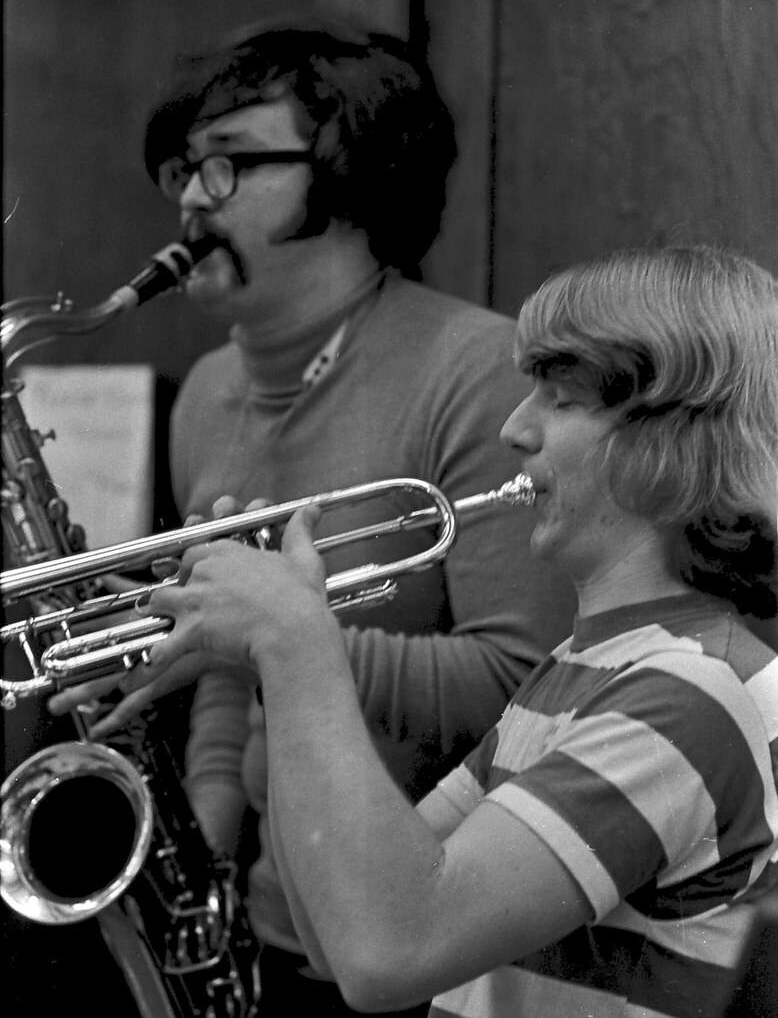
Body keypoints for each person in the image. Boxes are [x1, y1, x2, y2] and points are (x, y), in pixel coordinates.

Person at [85, 244, 777, 1018]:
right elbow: (335, 929)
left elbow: (388, 952)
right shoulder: (583, 668)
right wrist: (268, 658)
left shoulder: (692, 698)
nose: (514, 428)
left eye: (560, 399)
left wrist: (296, 640)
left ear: (670, 441)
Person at [50, 16, 576, 1017]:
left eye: (230, 163)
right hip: (272, 919)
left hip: (438, 943)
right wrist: (197, 861)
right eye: (184, 168)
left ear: (350, 176)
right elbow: (225, 672)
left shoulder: (479, 372)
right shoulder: (209, 394)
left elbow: (526, 687)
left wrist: (279, 634)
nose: (190, 198)